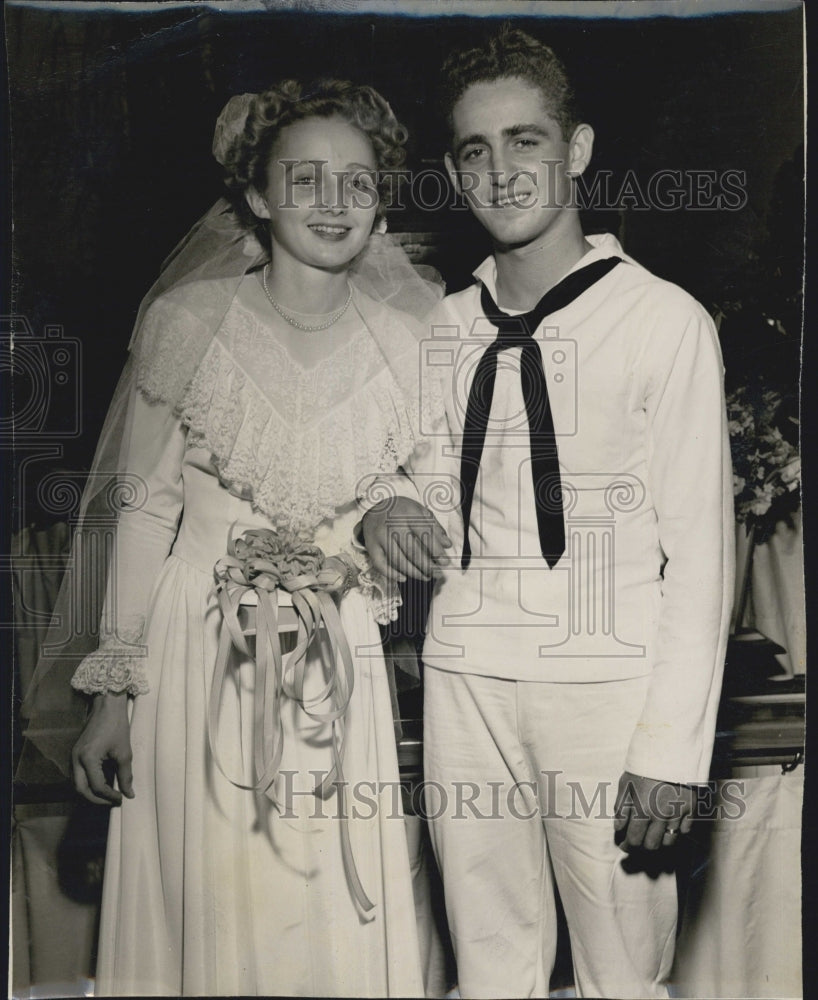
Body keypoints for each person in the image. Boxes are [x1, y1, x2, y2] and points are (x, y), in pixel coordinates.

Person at [22, 79, 449, 997]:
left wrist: (400, 507)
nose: (334, 205)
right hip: (196, 656)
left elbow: (425, 491)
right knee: (210, 905)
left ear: (383, 204)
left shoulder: (412, 343)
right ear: (257, 195)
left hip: (337, 663)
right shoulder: (187, 325)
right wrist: (113, 695)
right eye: (306, 180)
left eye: (360, 184)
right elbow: (142, 511)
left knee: (323, 907)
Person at [361, 29, 735, 1000]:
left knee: (621, 975)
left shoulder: (662, 322)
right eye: (474, 151)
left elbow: (700, 557)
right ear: (452, 171)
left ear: (574, 151)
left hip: (608, 690)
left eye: (524, 141)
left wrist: (668, 750)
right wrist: (390, 501)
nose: (501, 170)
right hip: (465, 679)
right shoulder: (438, 329)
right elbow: (421, 484)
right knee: (489, 966)